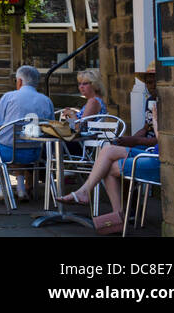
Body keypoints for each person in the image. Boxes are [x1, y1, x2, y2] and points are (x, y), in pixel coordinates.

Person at [56, 98, 159, 233]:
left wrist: (156, 121)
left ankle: (117, 215)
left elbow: (77, 128)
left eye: (85, 83)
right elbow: (147, 128)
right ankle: (86, 193)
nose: (81, 86)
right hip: (152, 152)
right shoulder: (153, 102)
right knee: (108, 150)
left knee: (109, 168)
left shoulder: (94, 101)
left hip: (158, 160)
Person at [0, 65, 54, 202]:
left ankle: (1, 188)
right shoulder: (46, 100)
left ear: (20, 81)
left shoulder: (8, 97)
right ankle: (21, 189)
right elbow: (50, 127)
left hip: (9, 151)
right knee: (17, 143)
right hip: (35, 152)